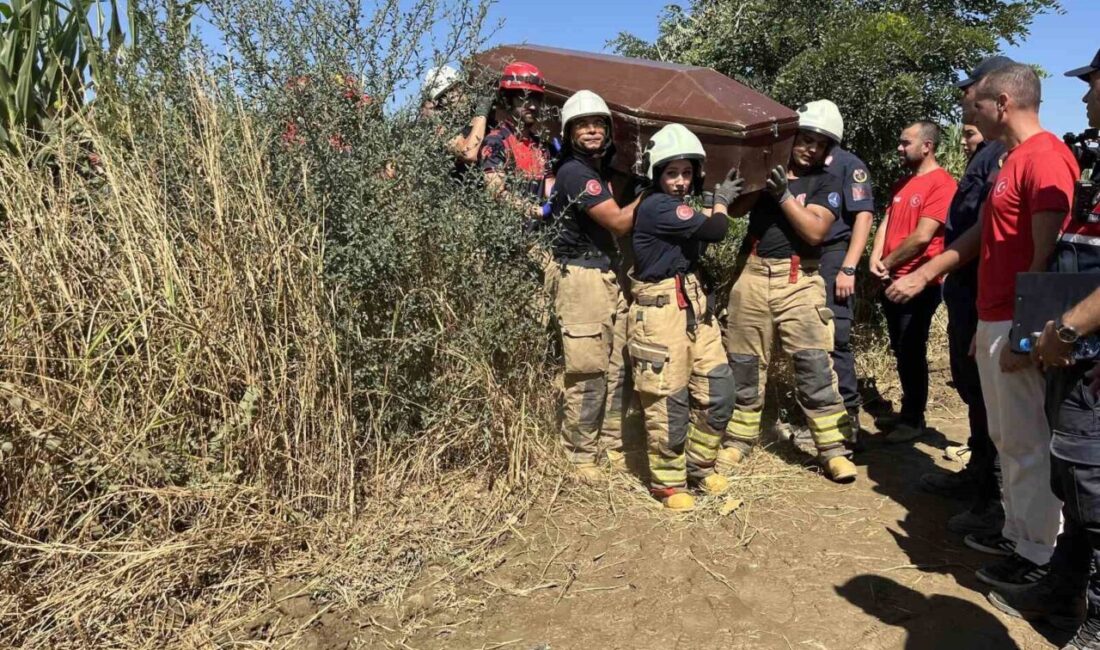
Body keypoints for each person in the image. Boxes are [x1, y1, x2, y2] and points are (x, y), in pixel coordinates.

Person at [986, 51, 1100, 650]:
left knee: (1090, 483)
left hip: (1076, 345)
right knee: (1071, 473)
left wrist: (1047, 332)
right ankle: (1063, 592)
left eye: (1094, 85)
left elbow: (1049, 252)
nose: (1085, 98)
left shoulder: (1046, 156)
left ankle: (1091, 619)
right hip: (1075, 354)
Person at [884, 55, 1014, 539]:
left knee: (991, 401)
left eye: (969, 89)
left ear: (994, 94)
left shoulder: (1007, 155)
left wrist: (924, 274)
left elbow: (987, 231)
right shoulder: (987, 156)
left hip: (983, 292)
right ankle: (978, 481)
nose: (963, 99)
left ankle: (993, 504)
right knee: (973, 392)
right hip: (967, 294)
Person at [965, 62, 1079, 591]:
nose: (972, 110)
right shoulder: (1013, 159)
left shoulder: (1047, 157)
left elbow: (1047, 251)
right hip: (996, 315)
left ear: (1004, 103)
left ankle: (1037, 552)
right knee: (1005, 435)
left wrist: (1024, 333)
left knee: (1026, 439)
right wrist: (986, 325)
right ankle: (1017, 532)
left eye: (978, 103)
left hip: (1018, 319)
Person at [719, 100, 858, 483]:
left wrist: (782, 196)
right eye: (805, 139)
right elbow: (735, 212)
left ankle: (832, 450)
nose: (810, 148)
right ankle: (739, 439)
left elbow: (815, 232)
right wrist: (750, 181)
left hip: (799, 280)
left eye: (820, 143)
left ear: (829, 149)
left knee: (814, 365)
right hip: (752, 274)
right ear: (793, 138)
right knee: (744, 364)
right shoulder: (772, 172)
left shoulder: (827, 183)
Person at [628, 123, 741, 510]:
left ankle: (699, 466)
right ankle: (668, 484)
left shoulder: (679, 209)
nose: (679, 182)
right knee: (667, 401)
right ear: (656, 175)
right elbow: (716, 229)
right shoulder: (658, 205)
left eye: (687, 173)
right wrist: (721, 200)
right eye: (671, 173)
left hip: (694, 306)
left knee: (720, 390)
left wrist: (711, 197)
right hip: (660, 313)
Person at [545, 90, 641, 483]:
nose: (591, 130)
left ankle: (611, 443)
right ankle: (580, 455)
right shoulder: (575, 173)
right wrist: (649, 193)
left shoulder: (597, 172)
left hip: (605, 274)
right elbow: (618, 222)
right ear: (569, 133)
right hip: (582, 279)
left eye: (598, 124)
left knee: (616, 365)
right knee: (587, 369)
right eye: (582, 125)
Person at [870, 121, 957, 443]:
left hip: (920, 283)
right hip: (892, 278)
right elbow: (886, 223)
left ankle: (913, 419)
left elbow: (923, 237)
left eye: (906, 142)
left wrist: (888, 263)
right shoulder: (903, 184)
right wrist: (876, 257)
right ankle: (908, 414)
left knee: (911, 348)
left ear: (927, 146)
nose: (899, 147)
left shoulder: (942, 184)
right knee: (901, 348)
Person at [821, 114, 876, 435]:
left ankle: (848, 415)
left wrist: (849, 267)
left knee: (837, 336)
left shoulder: (848, 165)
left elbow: (864, 216)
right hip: (807, 259)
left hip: (835, 256)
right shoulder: (804, 163)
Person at [479, 62, 553, 217]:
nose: (532, 107)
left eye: (536, 99)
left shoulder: (540, 146)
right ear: (508, 100)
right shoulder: (497, 141)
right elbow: (495, 191)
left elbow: (548, 186)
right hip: (503, 237)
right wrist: (536, 211)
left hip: (534, 236)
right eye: (524, 99)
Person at [422, 65, 495, 177]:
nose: (453, 96)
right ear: (439, 103)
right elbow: (469, 153)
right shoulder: (440, 129)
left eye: (455, 88)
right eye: (444, 95)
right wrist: (482, 110)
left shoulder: (477, 116)